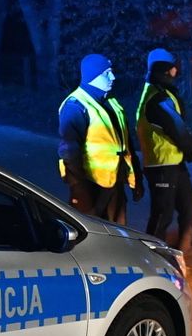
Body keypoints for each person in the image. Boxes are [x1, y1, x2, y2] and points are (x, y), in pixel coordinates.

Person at [137, 47, 192, 267]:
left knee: (191, 211)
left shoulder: (160, 93)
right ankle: (151, 262)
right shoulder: (157, 97)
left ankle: (184, 255)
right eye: (174, 67)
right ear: (168, 70)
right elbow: (176, 127)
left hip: (173, 164)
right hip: (162, 166)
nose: (177, 71)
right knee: (162, 217)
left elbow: (177, 124)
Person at [59, 54, 141, 222]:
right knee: (92, 238)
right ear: (93, 75)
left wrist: (137, 178)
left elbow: (126, 144)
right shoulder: (75, 105)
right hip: (91, 186)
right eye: (106, 73)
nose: (113, 77)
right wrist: (80, 189)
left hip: (114, 182)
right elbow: (69, 151)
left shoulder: (111, 102)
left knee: (119, 235)